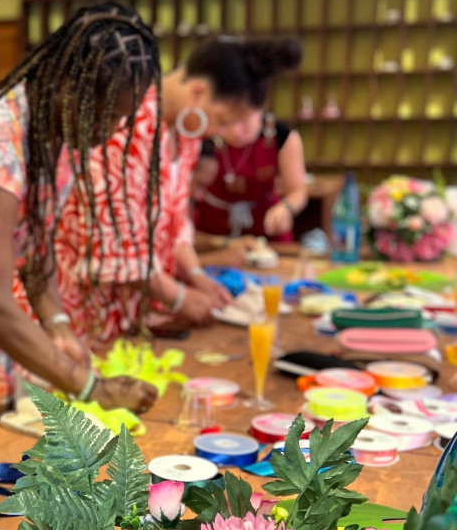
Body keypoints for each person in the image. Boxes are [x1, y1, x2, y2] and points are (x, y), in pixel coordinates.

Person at [0, 3, 161, 463]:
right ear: (69, 89)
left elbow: (34, 245)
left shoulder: (51, 129)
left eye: (124, 117)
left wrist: (56, 323)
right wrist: (92, 388)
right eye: (105, 116)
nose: (113, 131)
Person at [55, 37, 303, 341]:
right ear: (197, 93)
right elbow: (115, 246)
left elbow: (176, 222)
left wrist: (196, 275)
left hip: (130, 316)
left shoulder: (185, 135)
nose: (221, 134)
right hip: (78, 314)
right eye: (224, 121)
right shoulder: (126, 123)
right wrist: (180, 297)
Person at [192, 109, 308, 246]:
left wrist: (286, 208)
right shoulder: (202, 133)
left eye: (244, 121)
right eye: (227, 122)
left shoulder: (281, 135)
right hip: (211, 235)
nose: (236, 131)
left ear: (259, 110)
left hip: (267, 233)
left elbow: (298, 191)